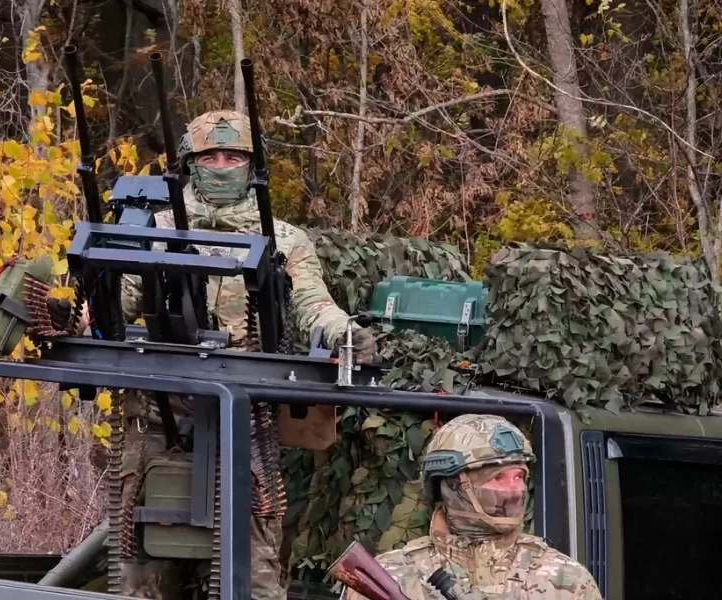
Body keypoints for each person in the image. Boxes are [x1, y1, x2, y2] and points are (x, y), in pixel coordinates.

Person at [115, 110, 376, 600]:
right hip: (160, 413)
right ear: (190, 164)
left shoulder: (284, 239)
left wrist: (345, 334)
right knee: (143, 570)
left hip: (246, 419)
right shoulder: (154, 228)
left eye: (233, 157)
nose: (221, 166)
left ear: (252, 165)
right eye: (209, 156)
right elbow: (116, 305)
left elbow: (313, 304)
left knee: (253, 569)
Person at [344, 414, 603, 600]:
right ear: (453, 486)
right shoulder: (391, 575)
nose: (515, 490)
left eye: (519, 476)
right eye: (498, 479)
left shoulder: (565, 580)